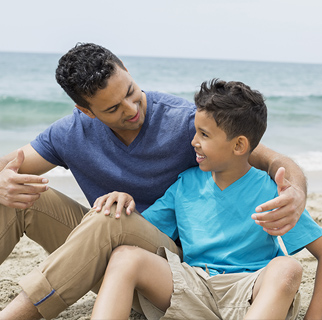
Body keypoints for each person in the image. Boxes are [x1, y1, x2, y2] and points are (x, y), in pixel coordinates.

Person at [0, 43, 307, 319]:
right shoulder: (69, 133)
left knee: (111, 218)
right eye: (113, 108)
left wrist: (295, 192)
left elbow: (270, 159)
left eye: (130, 92)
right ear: (85, 111)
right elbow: (9, 165)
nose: (132, 109)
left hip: (169, 272)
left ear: (128, 72)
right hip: (105, 260)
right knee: (15, 193)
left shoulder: (188, 122)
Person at [91, 79, 322, 320]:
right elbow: (140, 231)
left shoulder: (271, 191)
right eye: (195, 131)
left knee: (288, 267)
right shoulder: (185, 184)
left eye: (204, 134)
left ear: (239, 145)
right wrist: (124, 199)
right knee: (126, 257)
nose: (194, 141)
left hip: (251, 292)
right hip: (193, 287)